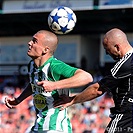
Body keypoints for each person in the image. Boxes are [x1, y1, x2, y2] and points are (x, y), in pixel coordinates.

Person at [4, 30, 93, 133]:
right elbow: (34, 84)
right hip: (39, 126)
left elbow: (87, 77)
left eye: (34, 41)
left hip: (56, 128)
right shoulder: (32, 65)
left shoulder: (55, 66)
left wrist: (54, 85)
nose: (29, 43)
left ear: (45, 50)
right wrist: (18, 100)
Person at [54, 28, 133, 133]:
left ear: (117, 47)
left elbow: (97, 89)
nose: (106, 53)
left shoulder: (125, 64)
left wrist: (72, 100)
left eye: (107, 49)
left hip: (126, 117)